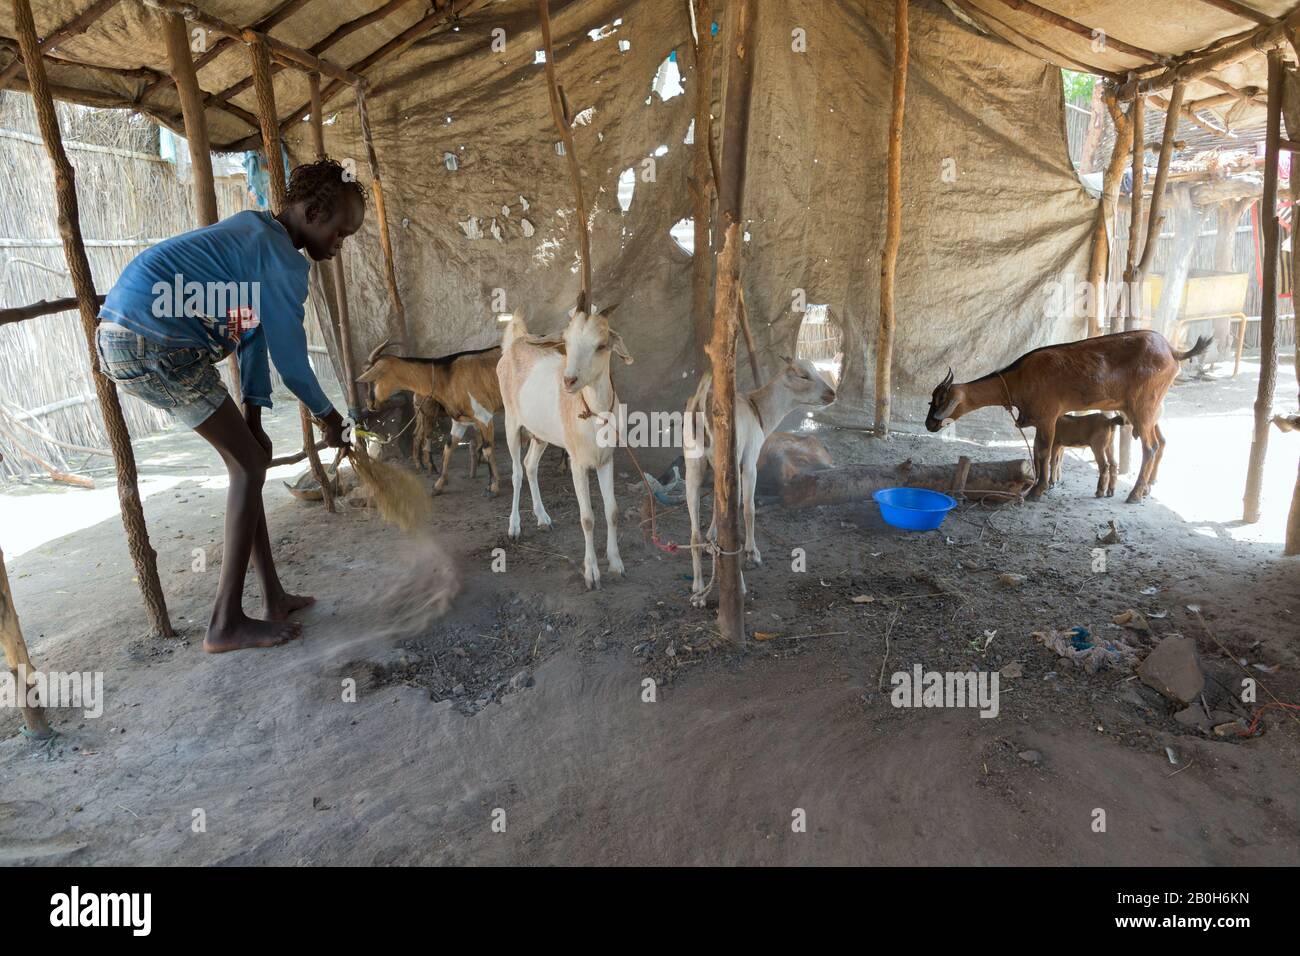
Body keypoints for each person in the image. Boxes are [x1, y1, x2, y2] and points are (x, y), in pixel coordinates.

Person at [95, 158, 363, 653]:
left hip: (127, 332)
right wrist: (332, 419)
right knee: (248, 468)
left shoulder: (255, 234)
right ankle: (225, 624)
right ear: (313, 210)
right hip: (153, 340)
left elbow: (253, 336)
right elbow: (292, 362)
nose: (340, 245)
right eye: (341, 232)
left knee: (250, 460)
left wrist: (254, 414)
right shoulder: (283, 261)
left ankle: (272, 597)